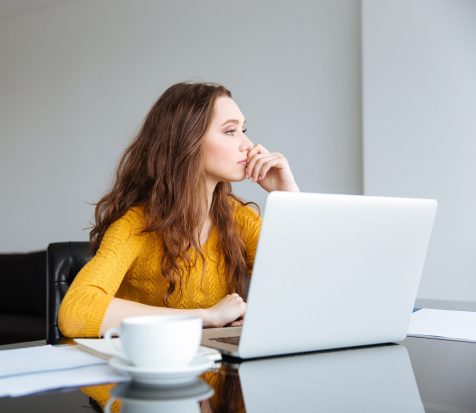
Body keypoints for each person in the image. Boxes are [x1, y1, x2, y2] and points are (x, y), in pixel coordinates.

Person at [58, 82, 299, 338]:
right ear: (188, 141)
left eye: (244, 130)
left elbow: (306, 285)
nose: (248, 144)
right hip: (145, 374)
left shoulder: (239, 219)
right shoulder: (136, 225)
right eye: (230, 131)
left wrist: (287, 195)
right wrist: (204, 317)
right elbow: (75, 313)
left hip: (217, 372)